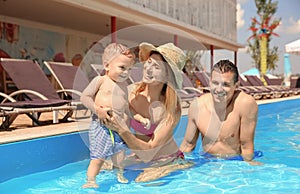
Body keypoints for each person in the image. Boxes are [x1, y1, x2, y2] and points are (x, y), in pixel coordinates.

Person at [104, 42, 193, 183]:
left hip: (165, 158)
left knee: (145, 182)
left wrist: (122, 130)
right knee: (104, 167)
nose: (148, 69)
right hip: (139, 154)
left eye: (156, 67)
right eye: (149, 62)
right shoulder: (130, 93)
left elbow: (150, 150)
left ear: (167, 76)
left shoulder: (171, 107)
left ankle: (178, 165)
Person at [179, 59, 262, 165]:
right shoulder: (198, 106)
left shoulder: (245, 104)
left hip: (235, 162)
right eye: (215, 83)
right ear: (209, 82)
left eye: (225, 84)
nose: (219, 89)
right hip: (207, 162)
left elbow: (246, 147)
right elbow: (188, 144)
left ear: (236, 86)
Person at [80, 43, 137, 188]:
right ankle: (91, 180)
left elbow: (126, 109)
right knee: (98, 157)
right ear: (107, 66)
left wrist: (139, 118)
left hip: (118, 128)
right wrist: (97, 109)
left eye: (129, 69)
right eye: (122, 68)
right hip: (101, 127)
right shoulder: (100, 81)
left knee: (119, 155)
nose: (126, 72)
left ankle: (119, 174)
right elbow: (84, 97)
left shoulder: (124, 87)